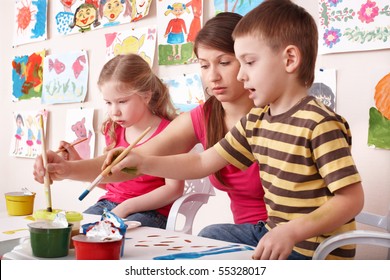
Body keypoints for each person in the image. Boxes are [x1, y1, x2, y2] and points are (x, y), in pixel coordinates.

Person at [107, 0, 364, 260]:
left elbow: (351, 199)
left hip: (313, 249)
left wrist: (292, 231)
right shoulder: (257, 121)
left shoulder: (320, 123)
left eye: (249, 63)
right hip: (272, 233)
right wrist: (143, 162)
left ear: (289, 59)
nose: (241, 75)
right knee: (208, 239)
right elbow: (201, 161)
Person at [33, 13, 267, 234]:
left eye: (224, 62)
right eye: (204, 65)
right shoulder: (204, 117)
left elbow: (194, 164)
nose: (213, 76)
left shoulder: (277, 116)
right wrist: (65, 169)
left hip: (282, 236)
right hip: (248, 237)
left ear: (248, 61)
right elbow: (129, 162)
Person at [35, 53, 184, 229]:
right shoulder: (114, 129)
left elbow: (174, 190)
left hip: (150, 211)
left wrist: (127, 206)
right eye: (108, 103)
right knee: (75, 233)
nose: (115, 112)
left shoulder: (170, 132)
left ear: (146, 96)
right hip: (108, 205)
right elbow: (111, 182)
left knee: (118, 240)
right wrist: (77, 163)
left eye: (122, 101)